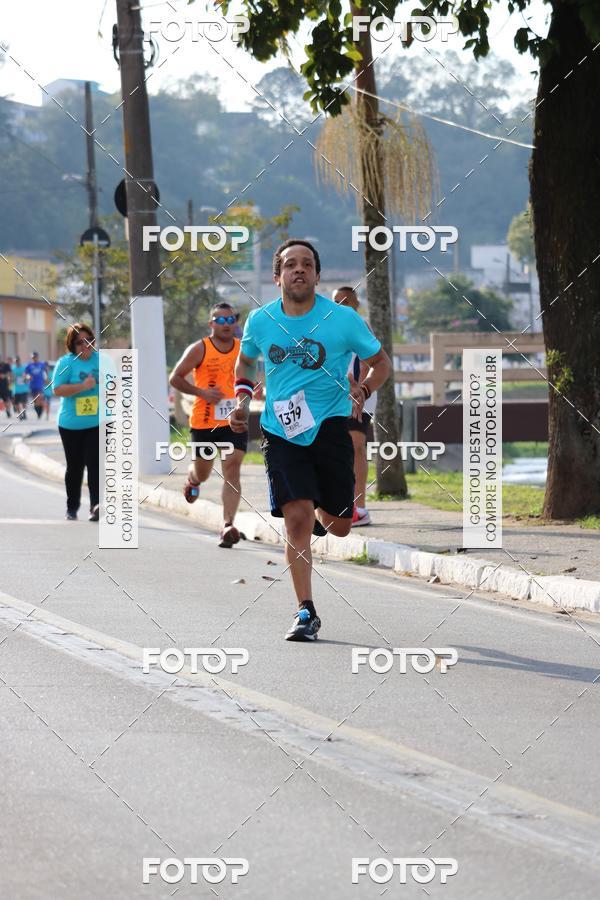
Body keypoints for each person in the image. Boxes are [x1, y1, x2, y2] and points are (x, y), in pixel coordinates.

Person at [230, 239, 392, 641]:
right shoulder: (261, 320)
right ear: (277, 275)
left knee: (338, 527)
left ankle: (325, 511)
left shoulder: (342, 319)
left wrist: (365, 390)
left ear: (317, 275)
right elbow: (246, 361)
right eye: (290, 265)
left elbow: (381, 363)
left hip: (331, 426)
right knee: (296, 518)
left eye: (306, 264)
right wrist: (242, 399)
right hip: (281, 431)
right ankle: (305, 611)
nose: (298, 270)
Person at [169, 302, 248, 548]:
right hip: (204, 422)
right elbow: (175, 377)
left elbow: (251, 376)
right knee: (203, 471)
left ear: (235, 322)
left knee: (232, 469)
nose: (225, 325)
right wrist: (201, 392)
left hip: (234, 421)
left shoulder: (244, 349)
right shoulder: (199, 348)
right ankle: (193, 479)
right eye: (219, 320)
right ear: (211, 323)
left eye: (230, 320)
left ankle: (227, 525)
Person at [332, 286, 377, 527]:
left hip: (360, 395)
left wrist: (359, 388)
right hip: (335, 397)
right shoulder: (327, 327)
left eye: (345, 302)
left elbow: (373, 362)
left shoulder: (361, 327)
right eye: (336, 302)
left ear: (356, 305)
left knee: (356, 446)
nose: (340, 306)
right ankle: (338, 502)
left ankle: (359, 507)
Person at [52, 324, 100, 521]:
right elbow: (57, 389)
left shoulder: (101, 360)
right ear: (72, 345)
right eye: (80, 342)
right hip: (70, 424)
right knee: (75, 467)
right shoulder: (66, 363)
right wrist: (83, 386)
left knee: (95, 464)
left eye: (89, 341)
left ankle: (95, 506)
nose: (86, 345)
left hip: (96, 422)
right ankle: (72, 507)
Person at [25, 351, 47, 420]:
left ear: (38, 357)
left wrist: (46, 378)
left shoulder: (41, 364)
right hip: (32, 385)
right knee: (35, 401)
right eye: (33, 357)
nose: (34, 358)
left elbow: (46, 371)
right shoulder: (29, 366)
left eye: (35, 357)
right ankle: (38, 413)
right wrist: (28, 377)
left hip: (40, 384)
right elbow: (26, 374)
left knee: (39, 398)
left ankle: (40, 413)